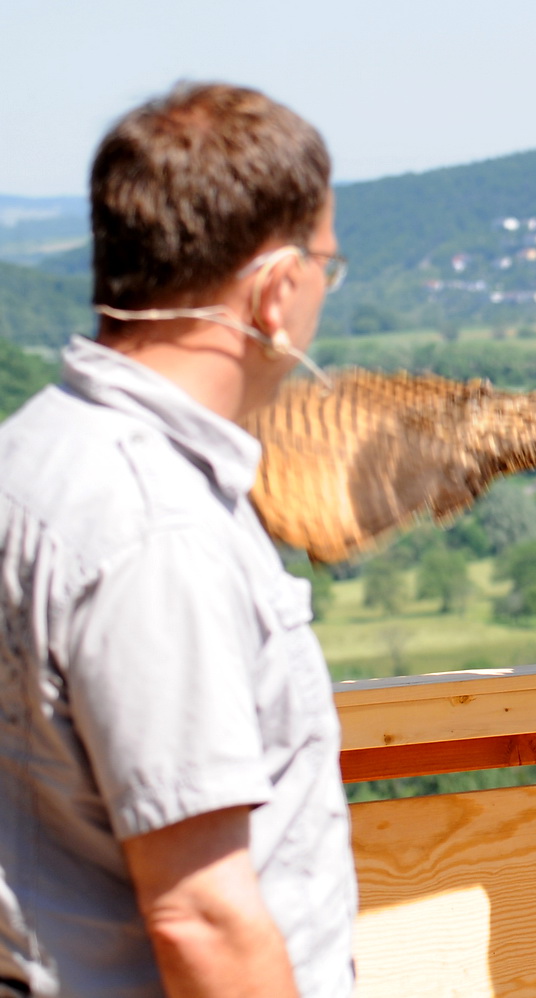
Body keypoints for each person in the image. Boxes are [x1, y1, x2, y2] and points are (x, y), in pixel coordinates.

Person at [0, 82, 356, 997]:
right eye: (326, 262)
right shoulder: (156, 530)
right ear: (276, 292)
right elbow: (203, 917)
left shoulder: (30, 453)